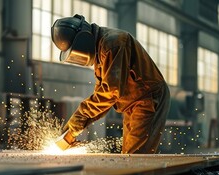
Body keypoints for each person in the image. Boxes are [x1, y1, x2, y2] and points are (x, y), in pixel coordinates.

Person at [52, 14, 170, 154]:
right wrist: (75, 128)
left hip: (148, 99)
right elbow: (101, 95)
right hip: (133, 104)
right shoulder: (101, 49)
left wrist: (79, 118)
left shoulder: (113, 44)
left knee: (136, 158)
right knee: (128, 155)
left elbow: (110, 92)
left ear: (83, 39)